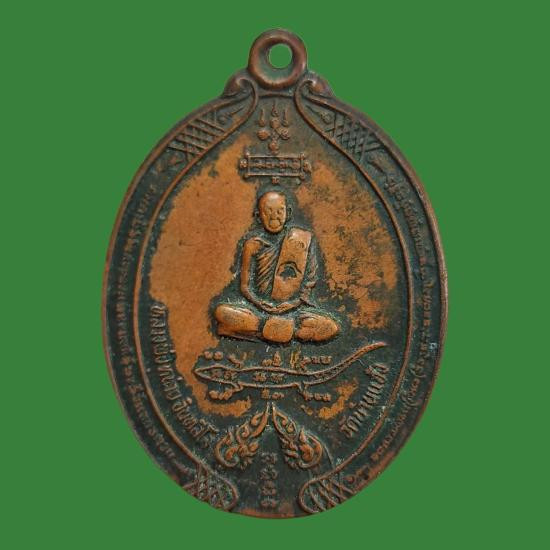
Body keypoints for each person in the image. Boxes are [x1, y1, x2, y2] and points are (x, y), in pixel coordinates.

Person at [214, 190, 339, 344]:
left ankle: (265, 330)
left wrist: (292, 304)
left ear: (289, 213)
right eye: (268, 211)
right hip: (258, 311)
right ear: (258, 216)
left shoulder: (302, 240)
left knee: (330, 327)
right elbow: (245, 287)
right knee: (221, 312)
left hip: (293, 312)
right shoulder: (252, 244)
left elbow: (309, 282)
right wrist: (260, 304)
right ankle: (281, 331)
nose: (274, 216)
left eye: (280, 211)